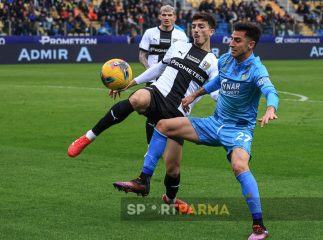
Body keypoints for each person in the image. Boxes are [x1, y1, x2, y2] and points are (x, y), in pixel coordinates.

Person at [115, 22, 278, 240]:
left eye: (238, 40)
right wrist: (194, 94)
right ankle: (143, 180)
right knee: (164, 125)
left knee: (239, 167)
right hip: (213, 123)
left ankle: (259, 226)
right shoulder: (226, 60)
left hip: (238, 129)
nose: (232, 43)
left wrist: (270, 108)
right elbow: (218, 81)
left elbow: (270, 90)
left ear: (251, 45)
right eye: (231, 38)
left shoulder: (256, 69)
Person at [67, 12, 219, 213]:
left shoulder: (214, 63)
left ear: (211, 31)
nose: (196, 30)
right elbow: (157, 69)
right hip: (158, 92)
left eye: (201, 26)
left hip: (178, 112)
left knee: (173, 168)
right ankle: (87, 138)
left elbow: (217, 93)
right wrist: (129, 84)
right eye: (194, 26)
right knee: (137, 99)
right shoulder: (179, 46)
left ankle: (170, 199)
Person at [138, 4, 188, 144]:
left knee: (170, 113)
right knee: (152, 114)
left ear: (175, 17)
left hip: (172, 80)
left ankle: (169, 145)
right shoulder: (150, 33)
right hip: (154, 80)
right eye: (164, 15)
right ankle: (150, 146)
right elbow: (142, 55)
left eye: (170, 15)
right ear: (159, 16)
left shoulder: (181, 36)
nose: (167, 18)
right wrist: (150, 70)